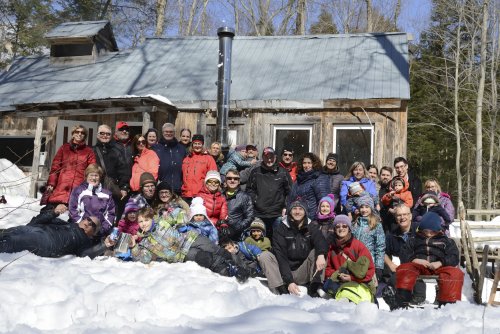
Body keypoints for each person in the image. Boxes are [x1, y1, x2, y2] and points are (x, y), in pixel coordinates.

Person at [117, 207, 249, 282]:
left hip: (191, 238)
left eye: (146, 220)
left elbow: (179, 212)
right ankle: (229, 271)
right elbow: (144, 258)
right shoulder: (145, 243)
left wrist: (181, 224)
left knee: (215, 249)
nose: (144, 224)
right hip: (182, 254)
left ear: (152, 219)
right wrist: (133, 246)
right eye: (140, 222)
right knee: (204, 258)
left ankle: (242, 266)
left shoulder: (163, 221)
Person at [394, 211, 463, 308]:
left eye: (433, 231)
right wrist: (414, 260)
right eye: (426, 231)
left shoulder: (446, 241)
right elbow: (404, 252)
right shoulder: (415, 239)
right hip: (419, 265)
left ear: (438, 230)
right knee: (405, 268)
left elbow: (454, 256)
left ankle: (448, 303)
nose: (429, 234)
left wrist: (440, 262)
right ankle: (402, 298)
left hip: (439, 266)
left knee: (455, 273)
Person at [273, 199, 328, 297]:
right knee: (266, 255)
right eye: (294, 209)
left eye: (300, 209)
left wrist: (320, 255)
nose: (297, 212)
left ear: (305, 212)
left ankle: (314, 287)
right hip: (284, 272)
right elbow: (281, 257)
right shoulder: (281, 229)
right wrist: (289, 281)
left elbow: (321, 241)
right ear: (289, 211)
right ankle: (281, 288)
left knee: (319, 251)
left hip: (302, 271)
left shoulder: (311, 226)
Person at [0, 205, 100, 258]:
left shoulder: (84, 241)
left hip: (47, 242)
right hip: (36, 229)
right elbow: (34, 222)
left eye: (92, 225)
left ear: (93, 233)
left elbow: (86, 254)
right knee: (6, 232)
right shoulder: (66, 224)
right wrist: (53, 212)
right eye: (88, 219)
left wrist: (105, 245)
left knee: (13, 241)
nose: (88, 223)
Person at [322, 215, 377, 303]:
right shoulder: (332, 248)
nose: (341, 228)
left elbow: (370, 270)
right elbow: (328, 269)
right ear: (334, 229)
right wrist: (339, 275)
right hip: (339, 283)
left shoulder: (358, 246)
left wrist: (351, 278)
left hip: (358, 283)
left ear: (349, 228)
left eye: (344, 226)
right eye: (337, 226)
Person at [382, 204, 426, 309]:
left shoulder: (421, 230)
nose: (402, 218)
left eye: (405, 214)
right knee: (389, 288)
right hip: (403, 270)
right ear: (395, 218)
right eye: (399, 215)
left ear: (410, 216)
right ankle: (399, 308)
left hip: (422, 266)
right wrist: (391, 264)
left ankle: (417, 299)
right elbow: (383, 251)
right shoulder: (392, 235)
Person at [247, 147, 292, 241]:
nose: (269, 159)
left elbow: (290, 192)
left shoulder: (283, 172)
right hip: (259, 213)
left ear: (275, 157)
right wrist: (255, 201)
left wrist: (286, 207)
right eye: (267, 157)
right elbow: (250, 190)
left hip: (278, 214)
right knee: (259, 241)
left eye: (271, 157)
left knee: (279, 240)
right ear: (263, 157)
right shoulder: (256, 172)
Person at [45, 125, 96, 206]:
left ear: (85, 136)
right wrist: (51, 183)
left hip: (79, 187)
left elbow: (92, 170)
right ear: (73, 134)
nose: (79, 134)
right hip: (62, 186)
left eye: (82, 133)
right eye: (77, 132)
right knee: (50, 213)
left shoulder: (89, 151)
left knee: (75, 216)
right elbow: (55, 167)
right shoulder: (64, 148)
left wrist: (89, 186)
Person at [93, 124, 131, 222]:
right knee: (95, 216)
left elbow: (124, 170)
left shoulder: (116, 151)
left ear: (111, 136)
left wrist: (124, 187)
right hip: (95, 189)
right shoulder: (92, 150)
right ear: (97, 135)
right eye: (102, 133)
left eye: (108, 134)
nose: (105, 136)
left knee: (111, 217)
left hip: (111, 189)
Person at [221, 238, 287, 294]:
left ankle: (281, 284)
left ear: (234, 245)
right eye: (226, 250)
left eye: (230, 248)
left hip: (256, 266)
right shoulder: (227, 257)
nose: (229, 251)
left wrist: (258, 254)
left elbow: (253, 248)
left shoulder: (242, 246)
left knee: (268, 270)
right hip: (246, 270)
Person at [68, 164, 115, 236]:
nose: (93, 178)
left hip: (99, 232)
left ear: (100, 177)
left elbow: (110, 213)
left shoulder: (107, 194)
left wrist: (103, 229)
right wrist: (82, 225)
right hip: (81, 230)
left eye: (96, 175)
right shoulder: (78, 190)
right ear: (86, 176)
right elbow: (73, 210)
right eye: (91, 175)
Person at [351, 197, 385, 285]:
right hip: (354, 261)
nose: (364, 210)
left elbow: (380, 246)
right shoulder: (355, 224)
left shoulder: (376, 225)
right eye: (362, 207)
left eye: (367, 207)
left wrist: (379, 266)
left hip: (369, 262)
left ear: (371, 208)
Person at [288, 152, 330, 220]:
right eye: (304, 163)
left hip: (312, 219)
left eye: (309, 163)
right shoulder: (298, 180)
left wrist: (321, 220)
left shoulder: (319, 178)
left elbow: (324, 201)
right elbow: (290, 200)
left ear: (314, 164)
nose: (306, 165)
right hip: (297, 219)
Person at [152, 123, 187, 195]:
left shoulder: (181, 148)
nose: (168, 133)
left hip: (178, 188)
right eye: (166, 132)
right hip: (162, 188)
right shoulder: (156, 148)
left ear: (174, 133)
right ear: (162, 132)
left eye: (171, 132)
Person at [181, 134, 217, 202]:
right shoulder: (186, 159)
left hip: (201, 195)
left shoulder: (208, 159)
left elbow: (213, 177)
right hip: (186, 195)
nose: (197, 146)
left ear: (202, 145)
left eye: (199, 144)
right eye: (195, 143)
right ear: (192, 145)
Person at [223, 169, 254, 241]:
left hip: (237, 235)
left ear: (239, 181)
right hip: (221, 232)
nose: (232, 180)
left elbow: (250, 217)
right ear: (225, 180)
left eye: (235, 179)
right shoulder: (220, 195)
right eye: (229, 178)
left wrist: (237, 228)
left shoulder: (244, 197)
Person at [378, 166, 394, 232]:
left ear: (391, 177)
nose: (385, 177)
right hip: (378, 220)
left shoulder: (394, 188)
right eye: (383, 175)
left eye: (388, 175)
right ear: (380, 176)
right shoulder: (375, 188)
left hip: (390, 221)